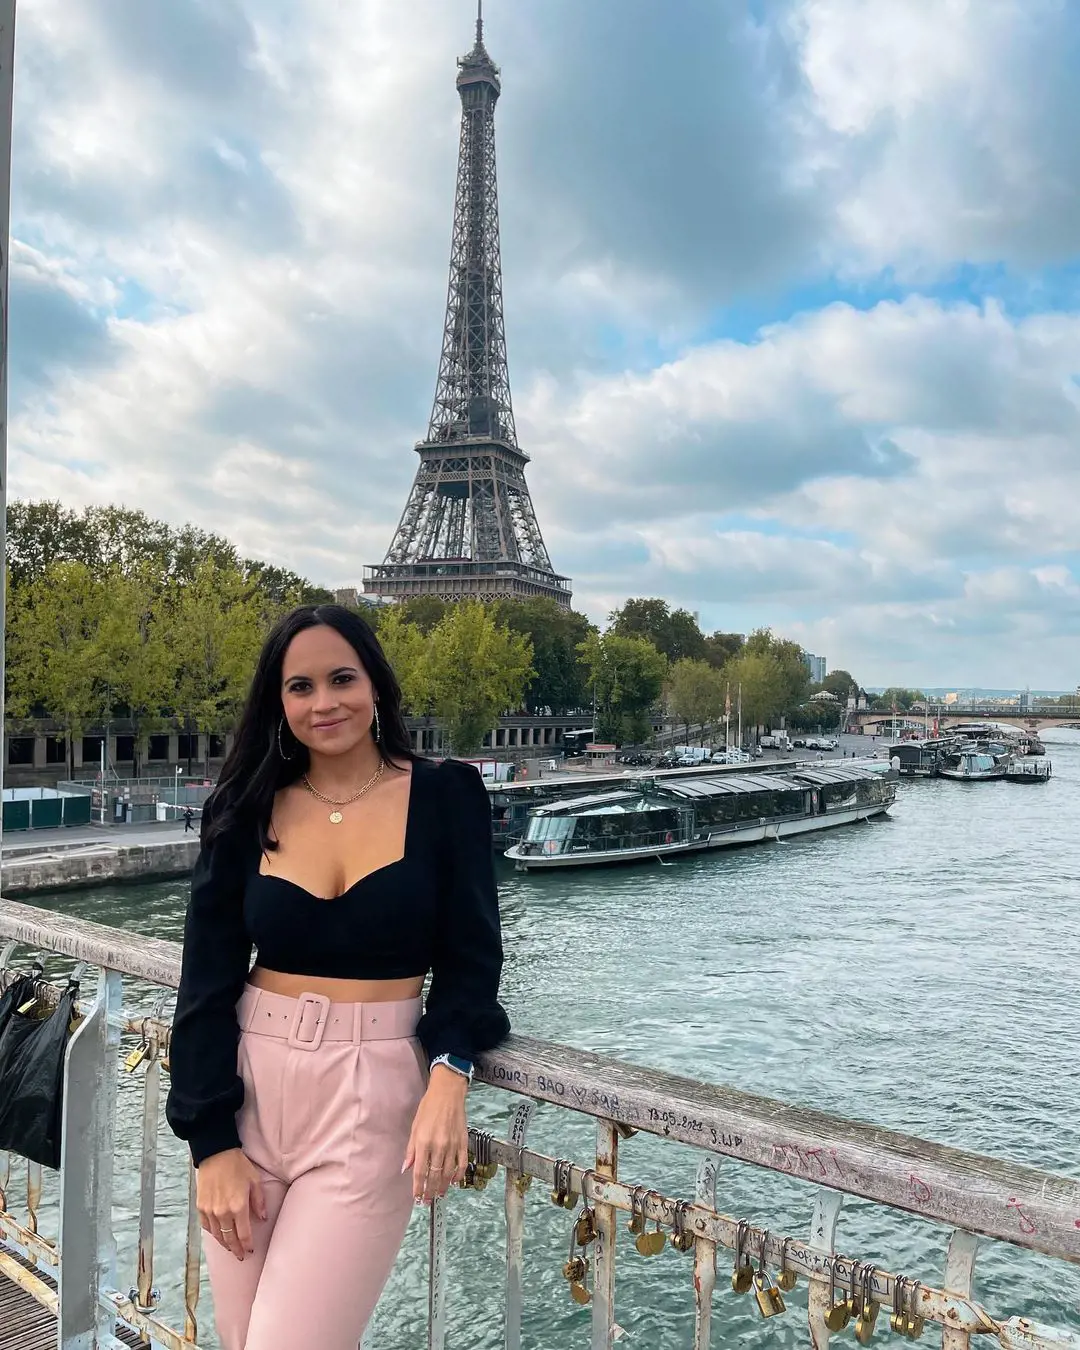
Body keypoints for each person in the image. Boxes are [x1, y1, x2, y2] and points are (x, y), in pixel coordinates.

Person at [165, 604, 510, 1350]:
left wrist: (450, 1072)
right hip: (248, 1084)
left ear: (377, 687)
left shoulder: (446, 795)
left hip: (370, 1099)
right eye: (301, 687)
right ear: (278, 704)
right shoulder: (246, 806)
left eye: (342, 678)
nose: (325, 703)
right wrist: (210, 1142)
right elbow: (206, 982)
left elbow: (472, 955)